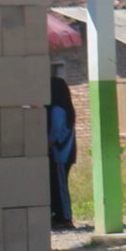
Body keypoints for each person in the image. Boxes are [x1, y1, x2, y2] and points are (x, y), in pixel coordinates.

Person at [47, 70, 77, 232]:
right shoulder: (65, 109)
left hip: (60, 155)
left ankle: (65, 217)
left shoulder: (58, 110)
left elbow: (54, 134)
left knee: (60, 186)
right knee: (59, 186)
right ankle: (60, 216)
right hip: (64, 154)